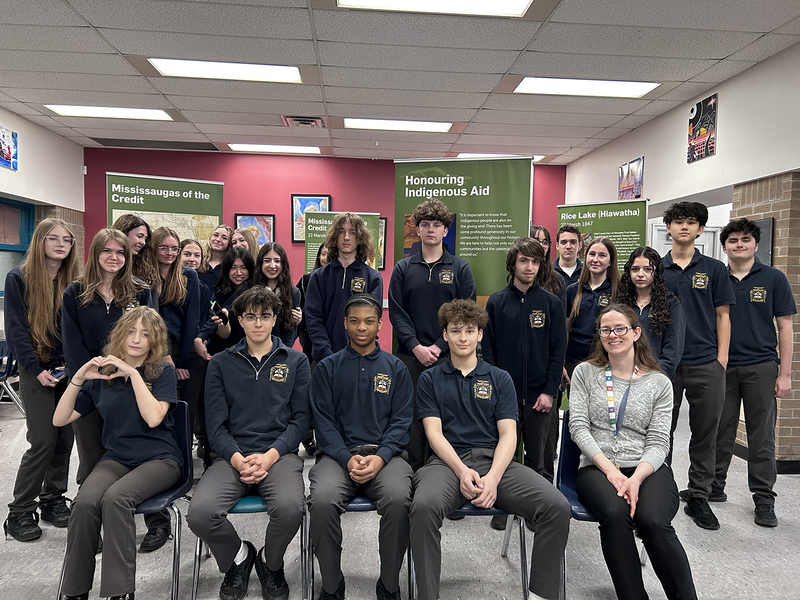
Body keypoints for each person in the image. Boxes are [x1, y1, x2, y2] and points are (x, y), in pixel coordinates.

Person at [409, 299, 570, 600]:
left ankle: (541, 594)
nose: (463, 338)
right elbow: (433, 433)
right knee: (423, 507)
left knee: (556, 507)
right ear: (444, 335)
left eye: (470, 331)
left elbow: (509, 434)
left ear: (480, 334)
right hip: (447, 464)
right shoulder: (430, 379)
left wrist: (494, 477)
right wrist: (461, 470)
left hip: (496, 462)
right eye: (455, 331)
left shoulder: (500, 379)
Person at [187, 286, 310, 600]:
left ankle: (270, 563)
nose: (258, 323)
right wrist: (238, 459)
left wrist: (269, 457)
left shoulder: (296, 361)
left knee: (291, 507)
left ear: (274, 320)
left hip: (278, 454)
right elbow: (215, 426)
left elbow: (300, 422)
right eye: (251, 316)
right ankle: (239, 557)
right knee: (200, 513)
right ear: (240, 320)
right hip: (231, 456)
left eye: (265, 316)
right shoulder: (221, 364)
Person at [569, 304, 698, 600]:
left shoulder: (659, 383)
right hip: (597, 468)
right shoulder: (585, 373)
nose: (612, 335)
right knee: (614, 514)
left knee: (653, 520)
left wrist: (635, 479)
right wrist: (612, 472)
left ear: (636, 333)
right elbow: (578, 427)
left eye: (620, 328)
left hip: (647, 469)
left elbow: (659, 442)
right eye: (605, 329)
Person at [54, 306, 183, 600]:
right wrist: (79, 378)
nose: (136, 339)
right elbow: (59, 419)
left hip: (160, 459)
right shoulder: (103, 377)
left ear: (155, 341)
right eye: (131, 332)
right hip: (118, 458)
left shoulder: (163, 372)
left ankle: (119, 592)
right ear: (120, 335)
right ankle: (74, 591)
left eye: (145, 334)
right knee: (85, 502)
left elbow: (153, 418)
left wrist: (132, 374)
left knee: (116, 499)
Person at [308, 294, 413, 600]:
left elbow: (401, 421)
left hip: (387, 455)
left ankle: (389, 583)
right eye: (354, 321)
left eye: (369, 321)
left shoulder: (396, 368)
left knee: (397, 500)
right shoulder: (327, 368)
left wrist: (380, 458)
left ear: (380, 323)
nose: (361, 328)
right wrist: (346, 457)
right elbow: (323, 423)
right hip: (337, 456)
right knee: (323, 501)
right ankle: (331, 584)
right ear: (345, 324)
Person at [713, 218, 796, 527]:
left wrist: (784, 374)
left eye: (745, 239)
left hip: (762, 366)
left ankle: (764, 498)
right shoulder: (716, 277)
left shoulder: (773, 278)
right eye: (733, 240)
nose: (739, 244)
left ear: (755, 245)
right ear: (724, 247)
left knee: (761, 436)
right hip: (722, 365)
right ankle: (714, 486)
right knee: (721, 429)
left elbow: (785, 327)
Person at [3, 218, 78, 542]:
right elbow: (17, 331)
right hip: (37, 372)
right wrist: (35, 368)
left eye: (67, 239)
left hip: (67, 372)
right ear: (40, 242)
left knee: (64, 441)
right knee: (43, 441)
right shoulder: (19, 278)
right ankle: (19, 511)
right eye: (53, 238)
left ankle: (53, 500)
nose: (61, 244)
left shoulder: (72, 280)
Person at [661, 201, 735, 530]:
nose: (684, 227)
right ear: (669, 228)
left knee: (706, 432)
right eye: (678, 222)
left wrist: (721, 360)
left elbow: (723, 316)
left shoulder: (715, 270)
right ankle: (658, 492)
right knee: (659, 432)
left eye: (691, 222)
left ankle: (700, 496)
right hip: (664, 364)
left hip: (706, 362)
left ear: (701, 229)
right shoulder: (656, 269)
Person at [388, 199, 476, 470]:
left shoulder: (460, 268)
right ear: (417, 229)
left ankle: (445, 479)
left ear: (445, 230)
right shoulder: (403, 269)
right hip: (409, 358)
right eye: (425, 224)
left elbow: (465, 311)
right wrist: (416, 347)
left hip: (449, 358)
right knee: (413, 419)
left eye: (437, 225)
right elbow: (397, 312)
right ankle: (414, 476)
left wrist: (439, 347)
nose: (430, 230)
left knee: (448, 418)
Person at [483, 238, 566, 509]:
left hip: (539, 396)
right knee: (504, 453)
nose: (529, 267)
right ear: (513, 264)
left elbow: (557, 351)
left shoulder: (551, 303)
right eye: (523, 261)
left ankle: (534, 506)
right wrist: (496, 390)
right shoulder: (496, 302)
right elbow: (489, 351)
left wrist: (549, 391)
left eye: (535, 262)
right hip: (505, 397)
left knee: (537, 457)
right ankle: (506, 505)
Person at [305, 212, 383, 363]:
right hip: (324, 360)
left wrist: (355, 353)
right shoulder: (318, 277)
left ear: (360, 237)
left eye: (352, 232)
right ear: (334, 236)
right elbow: (313, 319)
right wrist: (327, 353)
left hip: (361, 359)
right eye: (341, 231)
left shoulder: (373, 278)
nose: (346, 237)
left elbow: (371, 321)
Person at [617, 247, 686, 380]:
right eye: (635, 269)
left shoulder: (671, 304)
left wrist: (651, 375)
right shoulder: (620, 303)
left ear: (657, 272)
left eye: (648, 269)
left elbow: (673, 351)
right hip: (622, 376)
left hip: (657, 376)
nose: (640, 274)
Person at [152, 227, 202, 383]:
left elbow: (192, 319)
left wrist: (182, 362)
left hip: (181, 348)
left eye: (175, 248)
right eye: (164, 248)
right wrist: (163, 353)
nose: (170, 252)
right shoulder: (145, 277)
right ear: (153, 248)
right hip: (153, 347)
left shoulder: (189, 275)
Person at [565, 237, 620, 376]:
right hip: (574, 360)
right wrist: (561, 362)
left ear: (610, 261)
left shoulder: (618, 291)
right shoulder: (573, 290)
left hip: (606, 360)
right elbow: (565, 330)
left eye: (602, 255)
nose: (596, 259)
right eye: (592, 254)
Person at [194, 247, 254, 358]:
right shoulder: (219, 291)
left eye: (243, 268)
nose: (238, 273)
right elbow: (216, 317)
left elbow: (228, 308)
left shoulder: (252, 289)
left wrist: (202, 336)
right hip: (220, 352)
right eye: (233, 268)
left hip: (247, 352)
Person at [253, 243, 302, 348]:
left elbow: (290, 333)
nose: (272, 265)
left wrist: (296, 322)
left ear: (283, 264)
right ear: (260, 263)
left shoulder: (294, 293)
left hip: (281, 351)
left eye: (277, 261)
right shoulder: (250, 290)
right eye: (267, 261)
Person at [297, 244, 329, 363]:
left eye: (330, 254)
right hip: (311, 338)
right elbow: (296, 307)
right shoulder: (305, 281)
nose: (326, 258)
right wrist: (301, 332)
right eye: (323, 253)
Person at [112, 214, 160, 292]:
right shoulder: (107, 267)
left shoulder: (147, 273)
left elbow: (152, 304)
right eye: (139, 236)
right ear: (123, 234)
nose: (143, 242)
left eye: (145, 238)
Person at [197, 225, 234, 291]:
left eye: (224, 238)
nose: (218, 239)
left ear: (229, 243)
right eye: (216, 235)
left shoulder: (230, 266)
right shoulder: (199, 261)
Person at [553, 225, 583, 289]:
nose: (568, 246)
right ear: (557, 246)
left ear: (580, 245)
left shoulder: (587, 273)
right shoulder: (547, 273)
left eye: (573, 242)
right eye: (563, 242)